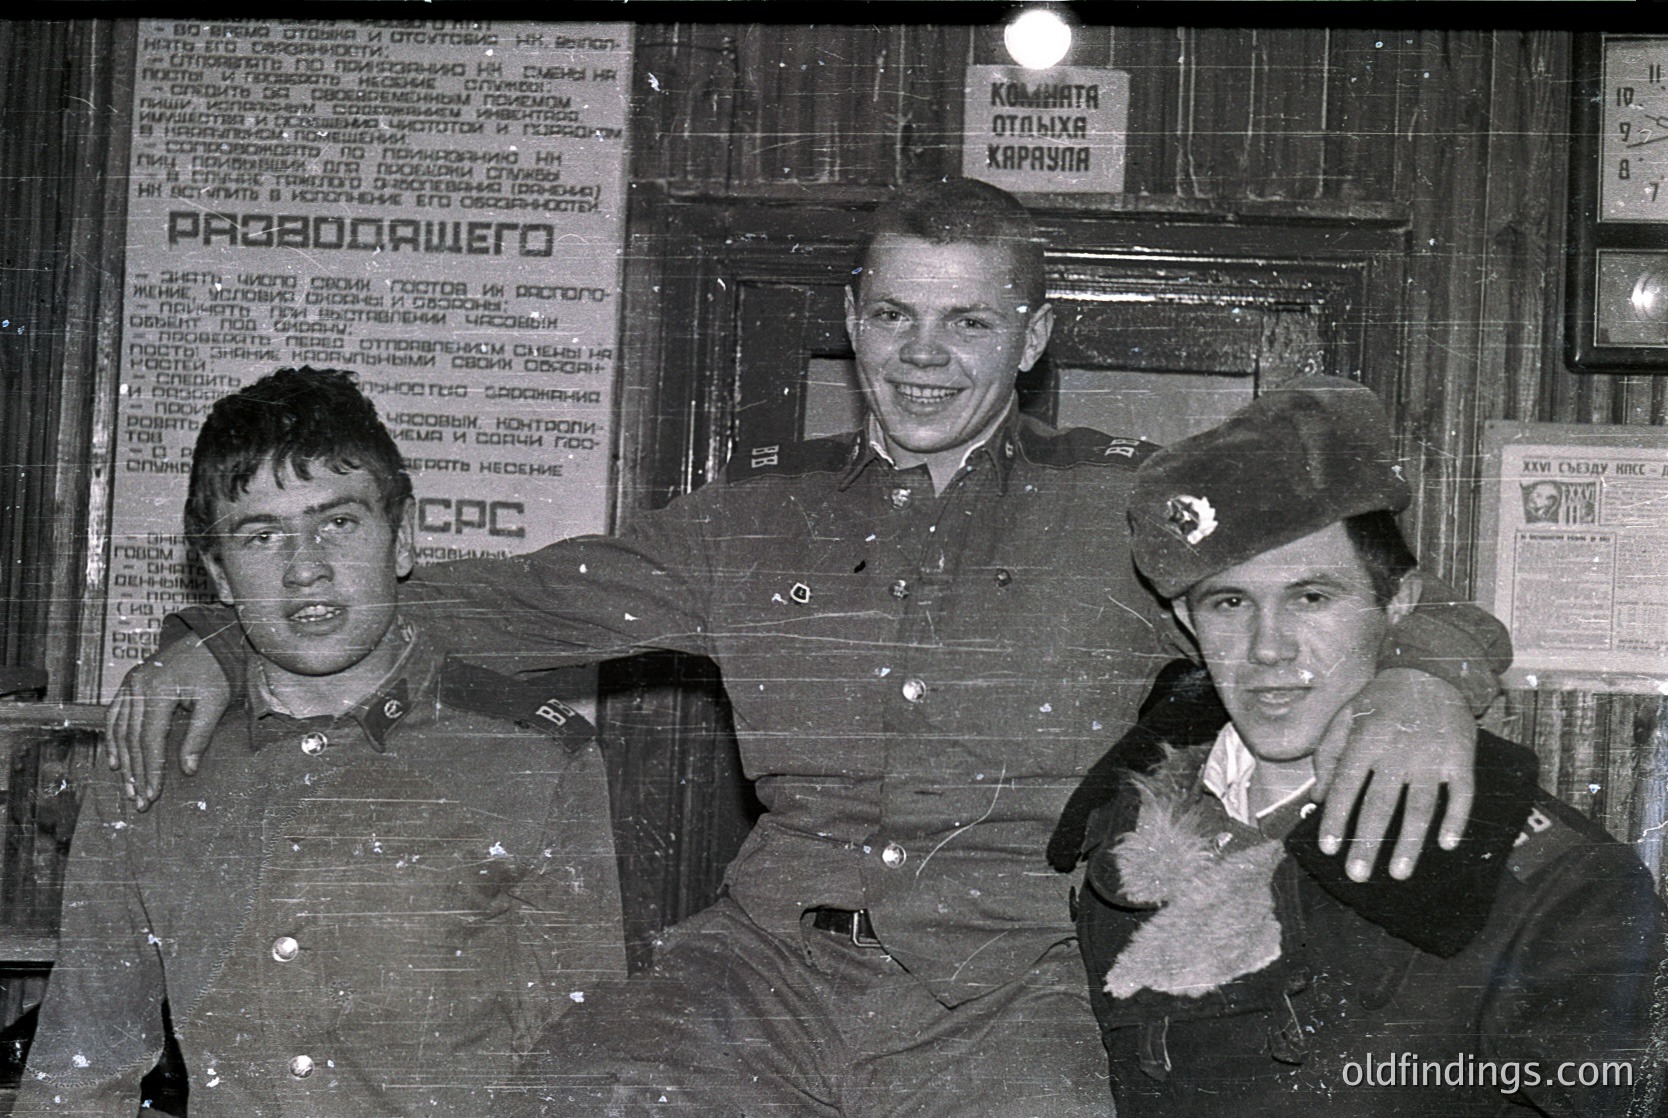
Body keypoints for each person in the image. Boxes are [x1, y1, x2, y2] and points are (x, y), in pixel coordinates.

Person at [111, 182, 1510, 1115]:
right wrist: (216, 636)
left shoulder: (1128, 511)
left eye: (968, 320)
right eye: (895, 314)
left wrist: (1431, 673)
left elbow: (1347, 586)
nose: (924, 353)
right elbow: (470, 601)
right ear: (852, 321)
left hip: (1010, 1000)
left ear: (1030, 335)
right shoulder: (745, 525)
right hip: (762, 976)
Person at [16, 369, 626, 1116]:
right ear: (218, 573)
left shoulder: (530, 757)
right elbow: (84, 1066)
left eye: (338, 523)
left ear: (401, 538)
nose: (305, 568)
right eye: (262, 535)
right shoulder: (155, 764)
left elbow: (581, 1073)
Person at [1071, 377, 1665, 1117]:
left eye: (1312, 598)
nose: (1268, 649)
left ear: (1400, 605)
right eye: (1230, 603)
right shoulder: (1118, 836)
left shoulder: (1554, 881)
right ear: (1188, 625)